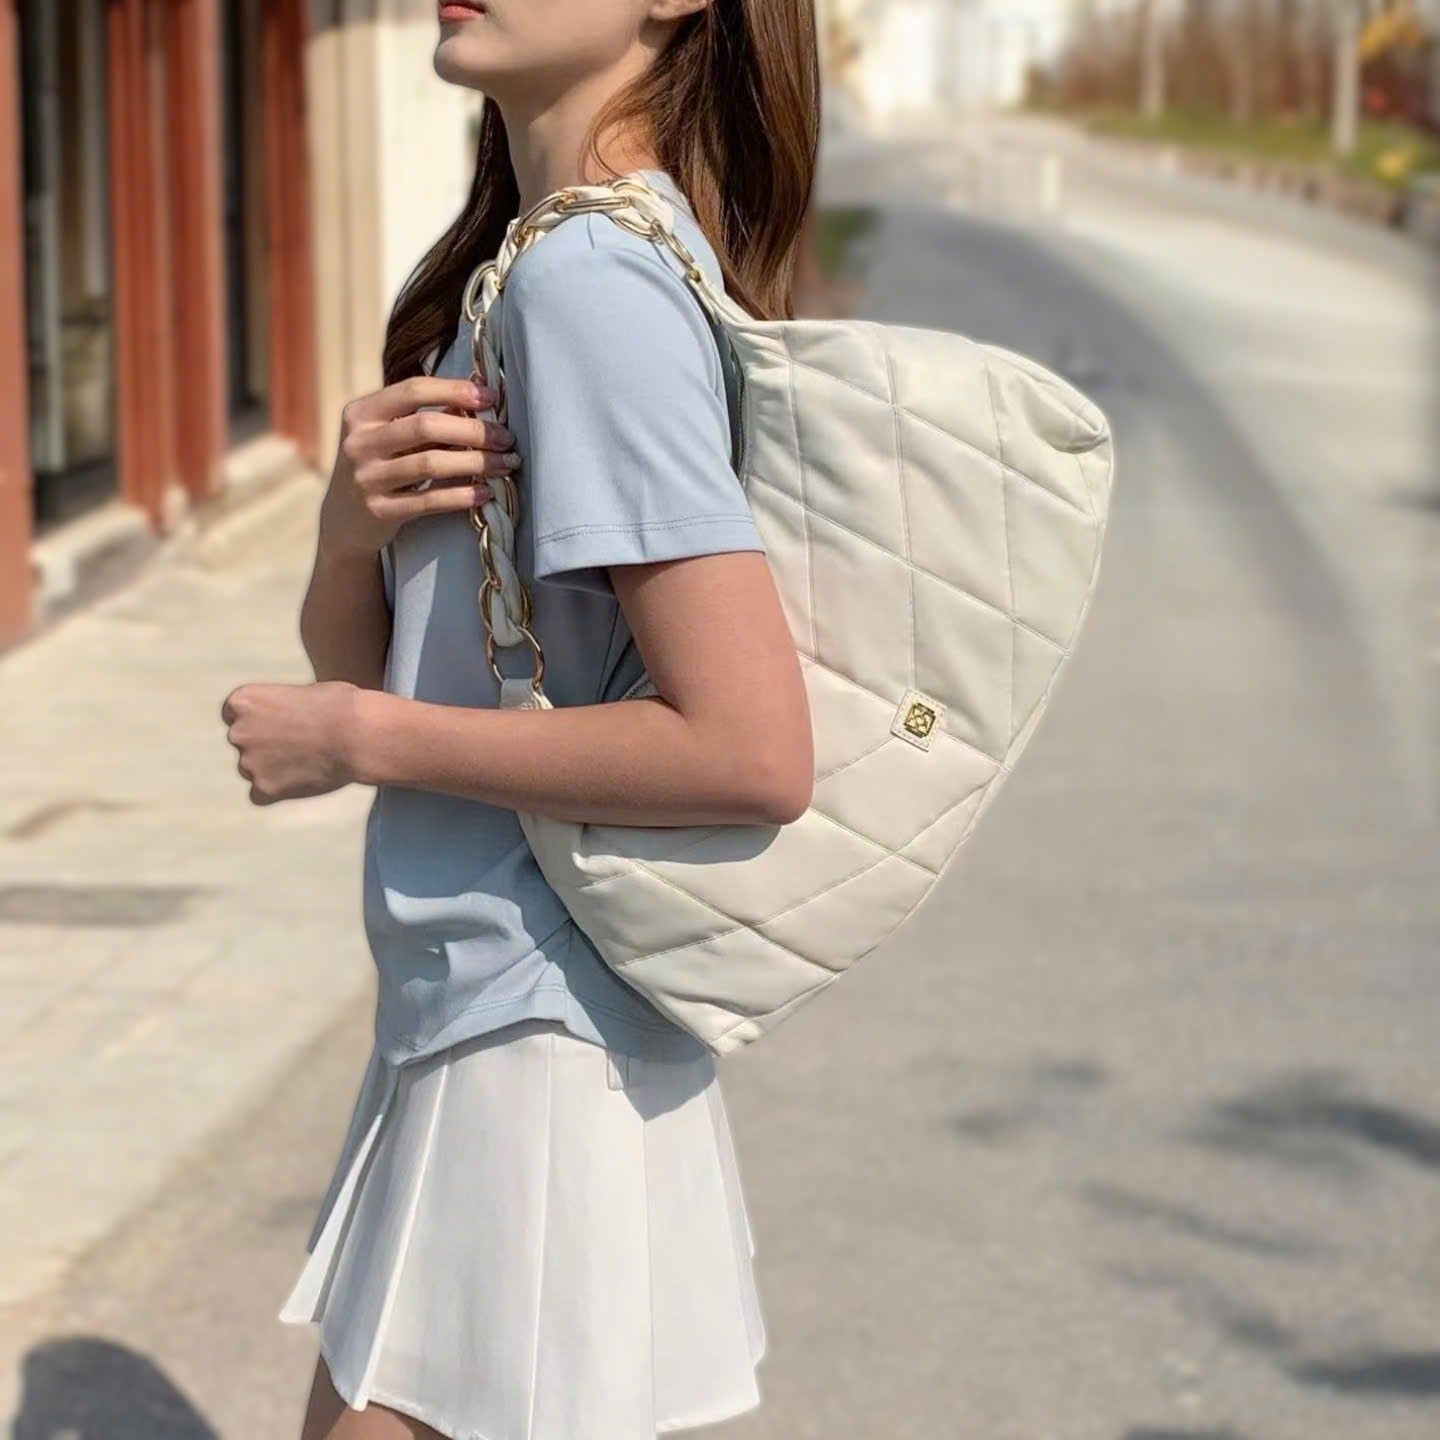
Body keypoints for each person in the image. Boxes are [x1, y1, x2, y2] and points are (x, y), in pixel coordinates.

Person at [221, 1, 819, 1436]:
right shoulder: (524, 272)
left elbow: (748, 749)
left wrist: (356, 742)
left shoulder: (590, 284)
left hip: (538, 1029)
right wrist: (348, 534)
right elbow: (386, 659)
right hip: (485, 1009)